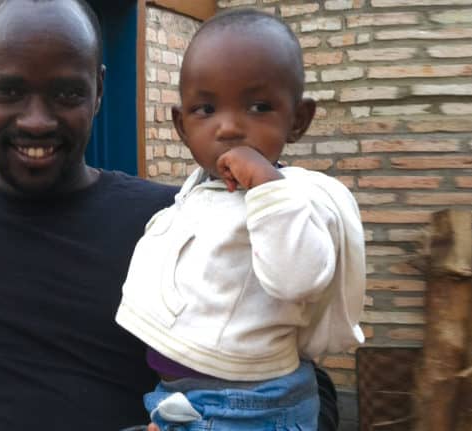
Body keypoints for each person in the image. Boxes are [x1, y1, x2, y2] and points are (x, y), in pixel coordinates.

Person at [0, 0, 341, 430]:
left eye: (67, 93)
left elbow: (299, 384)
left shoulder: (173, 226)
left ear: (99, 91)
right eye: (8, 91)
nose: (36, 121)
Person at [115, 9, 366, 430]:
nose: (229, 127)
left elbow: (299, 278)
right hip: (187, 399)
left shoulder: (294, 200)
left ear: (299, 119)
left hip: (248, 407)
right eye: (206, 108)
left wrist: (268, 186)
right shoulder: (196, 193)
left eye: (258, 106)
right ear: (181, 124)